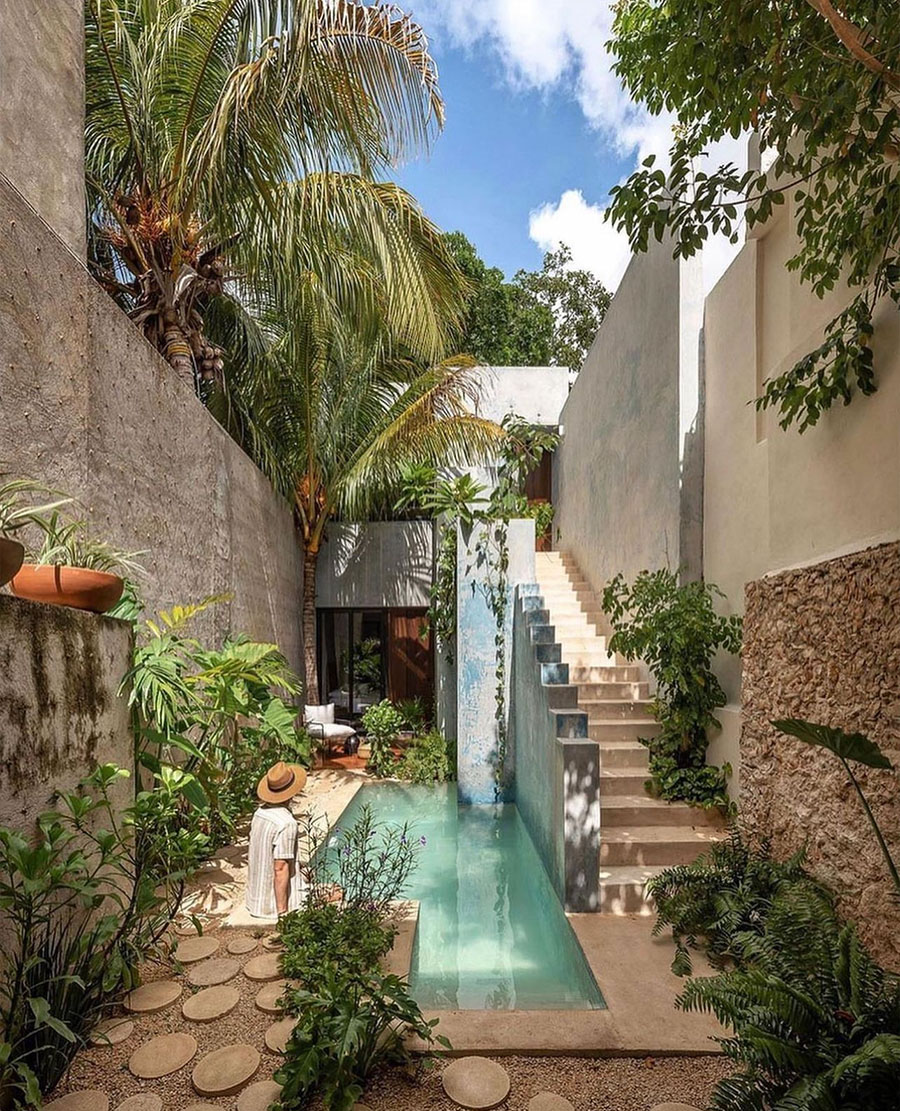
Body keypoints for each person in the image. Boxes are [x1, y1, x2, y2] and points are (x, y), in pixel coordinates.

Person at [246, 760, 307, 919]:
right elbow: (280, 868)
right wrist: (283, 913)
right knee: (335, 892)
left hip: (255, 900)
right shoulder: (286, 823)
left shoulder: (260, 813)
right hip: (272, 905)